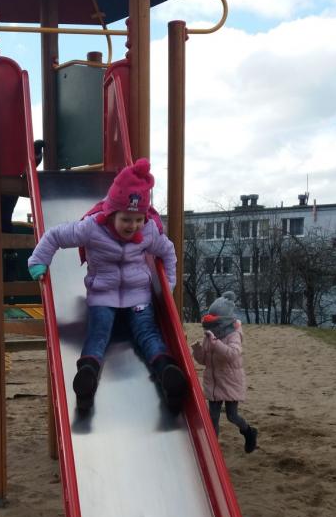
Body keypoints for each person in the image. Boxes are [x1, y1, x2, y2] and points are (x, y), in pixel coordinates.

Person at [27, 158, 188, 413]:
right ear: (112, 212)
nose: (133, 226)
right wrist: (39, 261)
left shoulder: (148, 231)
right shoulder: (92, 228)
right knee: (98, 333)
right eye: (126, 219)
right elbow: (56, 236)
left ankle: (166, 371)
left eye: (138, 219)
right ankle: (87, 376)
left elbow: (168, 252)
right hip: (102, 296)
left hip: (138, 297)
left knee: (148, 333)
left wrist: (168, 284)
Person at [191, 291, 258, 453]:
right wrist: (198, 350)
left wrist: (216, 343)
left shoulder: (234, 334)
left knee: (232, 416)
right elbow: (205, 360)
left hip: (230, 381)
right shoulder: (211, 336)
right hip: (214, 383)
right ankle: (213, 448)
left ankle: (249, 432)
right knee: (212, 417)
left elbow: (232, 354)